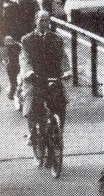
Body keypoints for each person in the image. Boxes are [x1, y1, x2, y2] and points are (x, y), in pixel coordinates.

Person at [19, 10, 70, 144]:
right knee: (30, 105)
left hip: (53, 77)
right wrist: (28, 72)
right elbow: (25, 58)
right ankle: (32, 132)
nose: (44, 23)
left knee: (61, 103)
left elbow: (63, 57)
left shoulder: (57, 39)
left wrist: (66, 71)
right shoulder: (27, 40)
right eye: (41, 20)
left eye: (46, 20)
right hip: (34, 78)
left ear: (49, 22)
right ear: (35, 21)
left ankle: (59, 132)